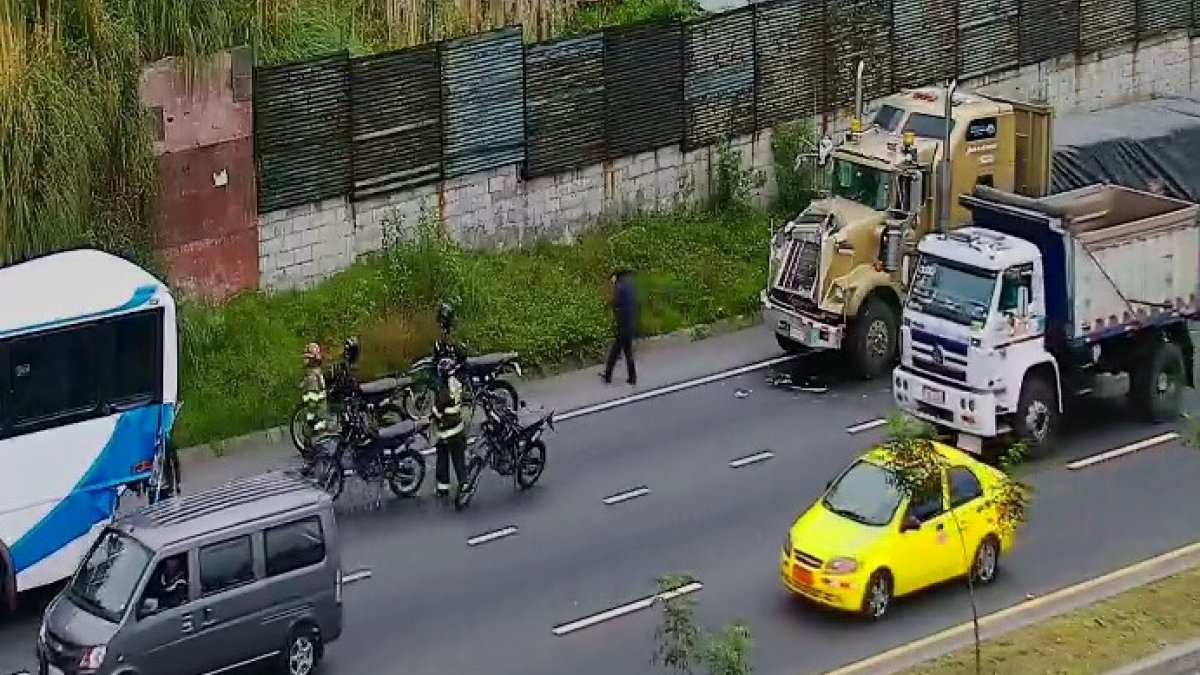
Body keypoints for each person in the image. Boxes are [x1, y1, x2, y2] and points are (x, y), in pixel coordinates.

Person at [431, 357, 468, 498]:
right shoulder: (457, 383)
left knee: (442, 459)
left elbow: (439, 408)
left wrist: (434, 412)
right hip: (458, 427)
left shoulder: (443, 389)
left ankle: (443, 488)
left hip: (446, 430)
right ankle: (464, 483)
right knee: (459, 459)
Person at [601, 269, 638, 386]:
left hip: (623, 325)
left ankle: (607, 376)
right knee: (628, 352)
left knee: (615, 352)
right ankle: (632, 378)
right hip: (629, 324)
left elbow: (614, 302)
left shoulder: (620, 288)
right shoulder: (628, 288)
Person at [301, 342, 332, 435]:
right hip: (313, 390)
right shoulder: (311, 373)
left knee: (321, 407)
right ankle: (312, 427)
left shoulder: (317, 370)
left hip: (318, 390)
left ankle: (319, 425)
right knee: (312, 408)